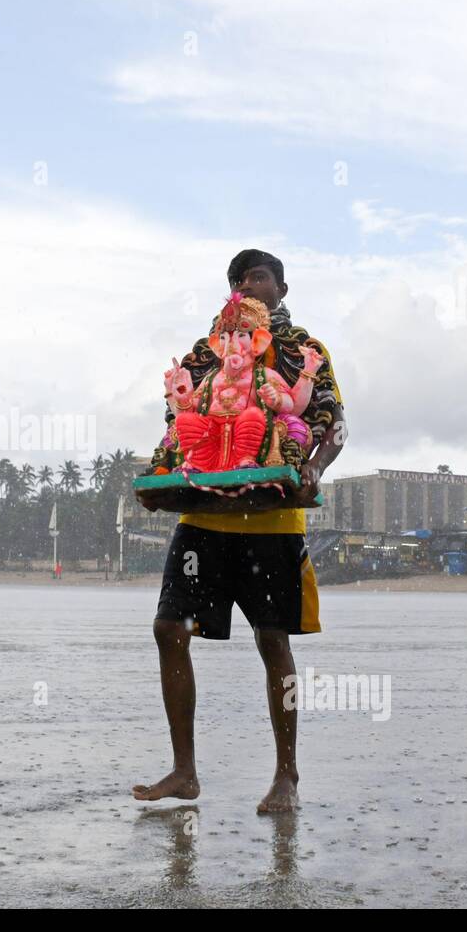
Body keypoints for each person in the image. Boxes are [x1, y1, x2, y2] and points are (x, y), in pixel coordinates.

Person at [133, 249, 347, 813]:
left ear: (280, 287)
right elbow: (179, 423)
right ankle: (184, 771)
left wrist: (313, 470)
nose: (246, 284)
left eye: (258, 276)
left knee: (272, 640)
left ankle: (287, 776)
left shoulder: (304, 348)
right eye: (238, 278)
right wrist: (159, 477)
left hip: (273, 519)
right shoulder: (206, 351)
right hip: (202, 515)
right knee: (167, 628)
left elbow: (334, 422)